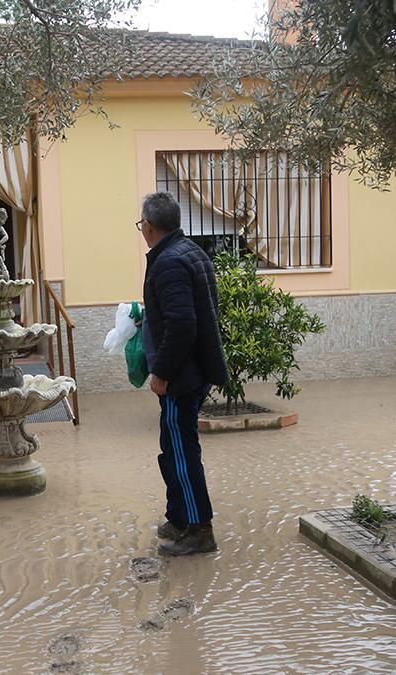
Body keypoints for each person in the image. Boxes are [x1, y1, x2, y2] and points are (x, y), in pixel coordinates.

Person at [137, 192, 227, 556]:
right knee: (171, 446)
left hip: (181, 378)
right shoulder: (190, 251)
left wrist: (161, 372)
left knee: (180, 452)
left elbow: (183, 324)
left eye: (141, 224)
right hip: (195, 370)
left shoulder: (169, 262)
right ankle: (178, 518)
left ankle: (199, 529)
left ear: (149, 226)